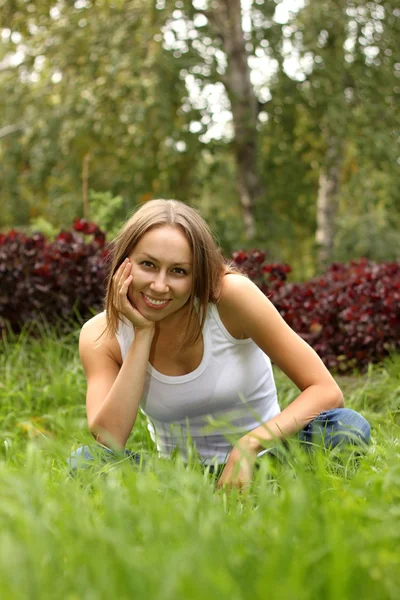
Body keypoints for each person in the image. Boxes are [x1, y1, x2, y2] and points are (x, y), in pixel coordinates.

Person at [71, 199, 370, 489]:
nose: (159, 286)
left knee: (347, 427)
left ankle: (284, 495)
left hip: (268, 461)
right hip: (180, 478)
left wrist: (250, 445)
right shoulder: (101, 335)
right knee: (87, 462)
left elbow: (326, 391)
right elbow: (109, 439)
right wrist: (142, 334)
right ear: (125, 263)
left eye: (178, 271)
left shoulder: (231, 299)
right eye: (148, 265)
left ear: (197, 274)